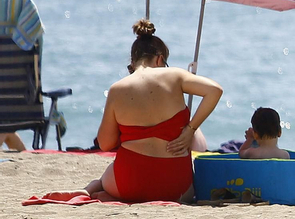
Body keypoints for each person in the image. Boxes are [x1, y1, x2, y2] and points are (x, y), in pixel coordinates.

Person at [84, 20, 224, 203]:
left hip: (128, 184)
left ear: (133, 63)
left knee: (103, 178)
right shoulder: (175, 75)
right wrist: (190, 130)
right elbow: (215, 90)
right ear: (159, 59)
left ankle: (90, 191)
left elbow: (105, 144)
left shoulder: (117, 89)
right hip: (176, 188)